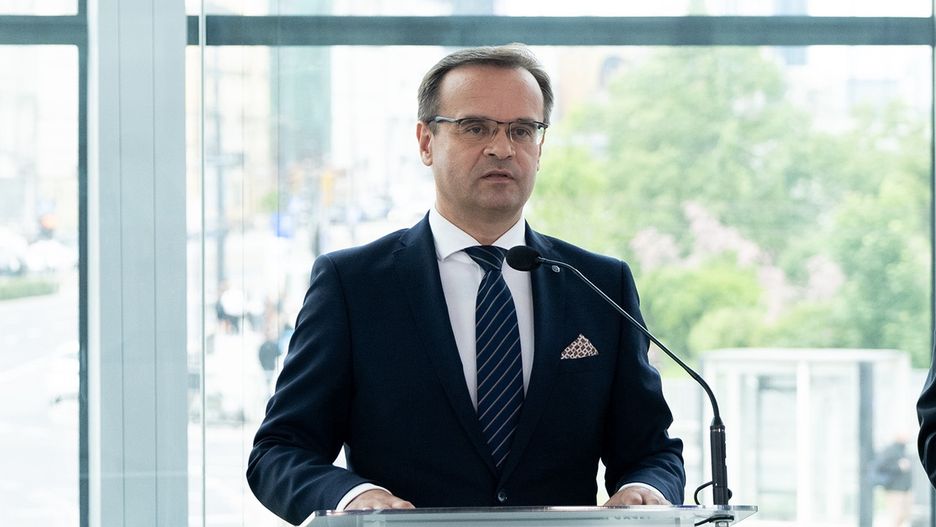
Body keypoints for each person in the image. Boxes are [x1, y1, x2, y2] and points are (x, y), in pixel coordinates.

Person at [247, 44, 685, 526]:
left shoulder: (599, 285)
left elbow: (651, 451)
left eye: (522, 130)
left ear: (540, 147)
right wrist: (355, 498)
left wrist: (644, 491)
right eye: (476, 127)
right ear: (426, 142)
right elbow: (279, 450)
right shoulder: (352, 285)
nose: (502, 148)